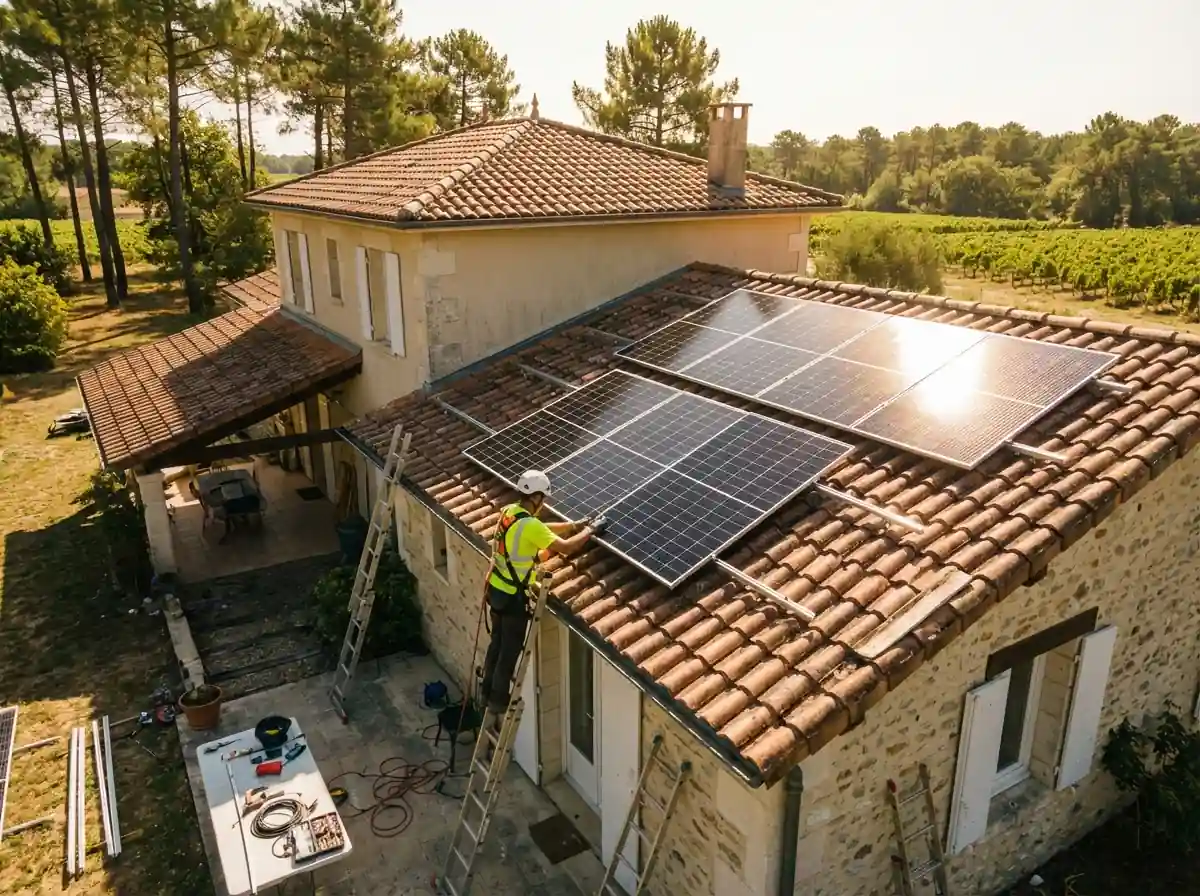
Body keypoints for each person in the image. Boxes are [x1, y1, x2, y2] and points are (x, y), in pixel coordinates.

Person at [479, 469, 604, 731]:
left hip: (496, 590)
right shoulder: (529, 524)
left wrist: (573, 526)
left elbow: (544, 530)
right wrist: (591, 531)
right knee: (509, 652)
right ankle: (498, 703)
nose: (544, 503)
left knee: (496, 644)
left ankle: (486, 691)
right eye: (543, 498)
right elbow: (567, 548)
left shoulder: (510, 512)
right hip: (513, 597)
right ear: (535, 496)